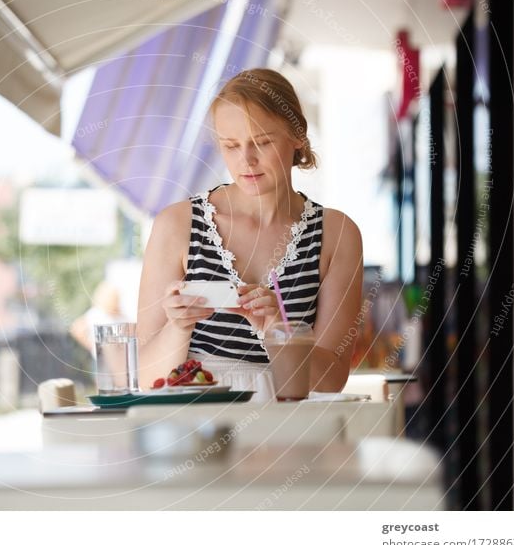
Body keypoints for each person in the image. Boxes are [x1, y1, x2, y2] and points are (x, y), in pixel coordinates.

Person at [136, 68, 363, 395]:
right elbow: (147, 377)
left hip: (290, 432)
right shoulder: (178, 225)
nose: (246, 160)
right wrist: (178, 326)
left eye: (262, 142)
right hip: (196, 428)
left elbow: (331, 381)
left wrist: (276, 331)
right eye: (230, 146)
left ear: (297, 135)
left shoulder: (337, 234)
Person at [70, 281, 127, 356]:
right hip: (102, 357)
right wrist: (91, 346)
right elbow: (76, 328)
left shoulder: (119, 316)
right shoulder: (96, 314)